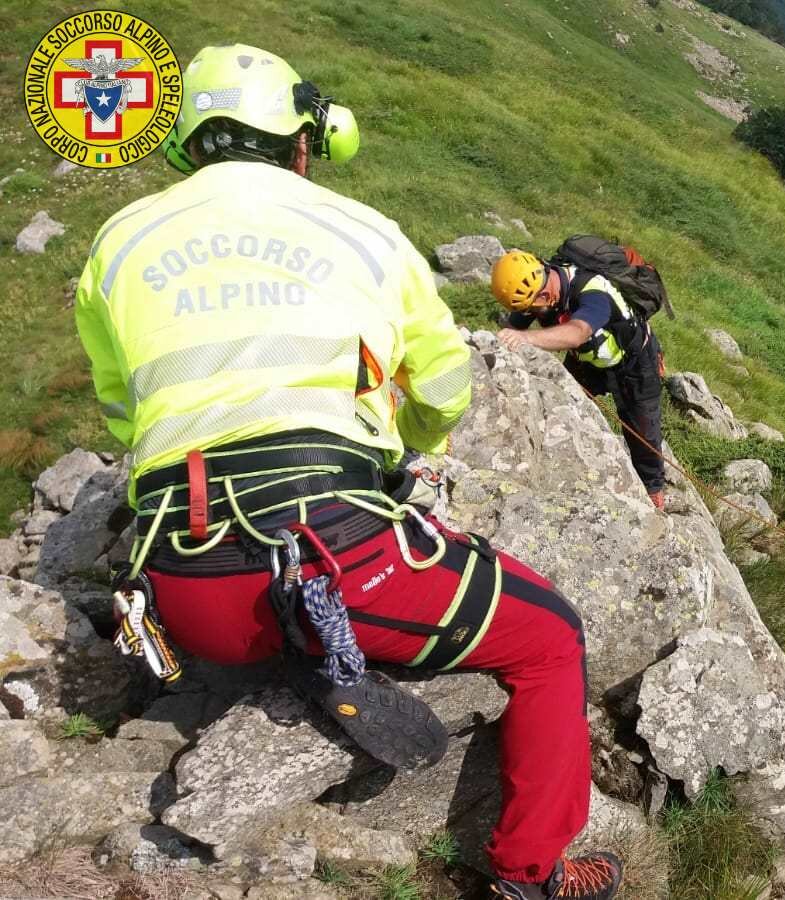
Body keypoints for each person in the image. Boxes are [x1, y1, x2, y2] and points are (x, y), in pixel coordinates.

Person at [75, 44, 620, 900]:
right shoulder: (366, 233)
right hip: (335, 554)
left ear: (188, 141)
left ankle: (308, 648)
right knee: (551, 636)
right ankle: (529, 873)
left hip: (183, 589)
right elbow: (443, 385)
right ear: (305, 141)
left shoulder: (116, 243)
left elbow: (122, 412)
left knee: (277, 594)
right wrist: (408, 449)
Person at [492, 250, 667, 510]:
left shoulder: (591, 291)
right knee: (563, 405)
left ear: (544, 295)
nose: (531, 313)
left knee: (643, 431)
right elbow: (514, 326)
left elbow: (577, 333)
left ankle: (654, 493)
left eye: (532, 308)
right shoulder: (538, 289)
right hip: (588, 360)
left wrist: (525, 339)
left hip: (635, 362)